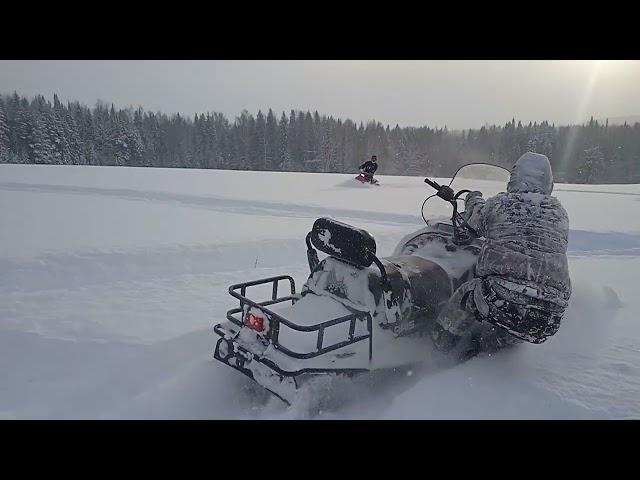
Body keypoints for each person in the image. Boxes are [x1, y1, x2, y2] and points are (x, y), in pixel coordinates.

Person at [431, 152, 572, 358]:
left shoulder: (501, 205)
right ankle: (492, 349)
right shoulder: (559, 213)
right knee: (514, 313)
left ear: (515, 177)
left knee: (469, 294)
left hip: (504, 296)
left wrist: (473, 197)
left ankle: (439, 346)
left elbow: (474, 221)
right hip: (551, 313)